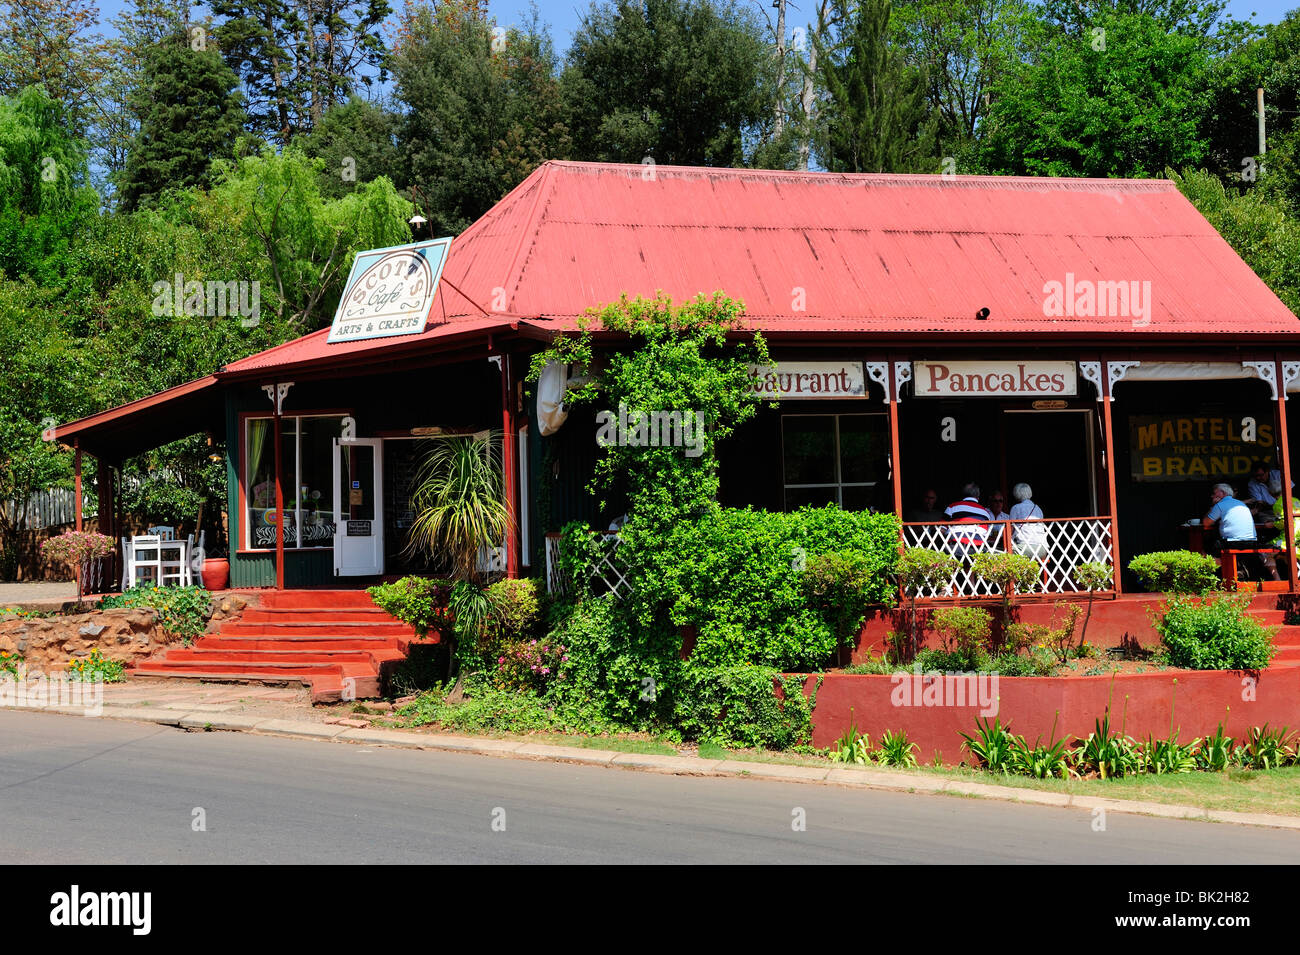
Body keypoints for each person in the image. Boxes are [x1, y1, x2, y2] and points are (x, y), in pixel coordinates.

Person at [1204, 482, 1278, 579]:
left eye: (1214, 493)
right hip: (1252, 542)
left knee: (1207, 549)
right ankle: (1238, 572)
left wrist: (1213, 506)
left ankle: (1225, 576)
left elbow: (1206, 523)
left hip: (1233, 542)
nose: (1212, 496)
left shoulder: (1220, 505)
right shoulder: (1241, 504)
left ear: (1222, 493)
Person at [945, 482, 994, 551]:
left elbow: (941, 529)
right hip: (978, 550)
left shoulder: (952, 507)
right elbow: (987, 535)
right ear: (978, 497)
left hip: (954, 548)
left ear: (963, 495)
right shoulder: (985, 512)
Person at [1009, 482, 1048, 559]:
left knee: (1003, 553)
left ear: (1016, 494)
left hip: (1025, 548)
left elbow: (1010, 529)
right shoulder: (1038, 509)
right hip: (1043, 549)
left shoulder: (1016, 508)